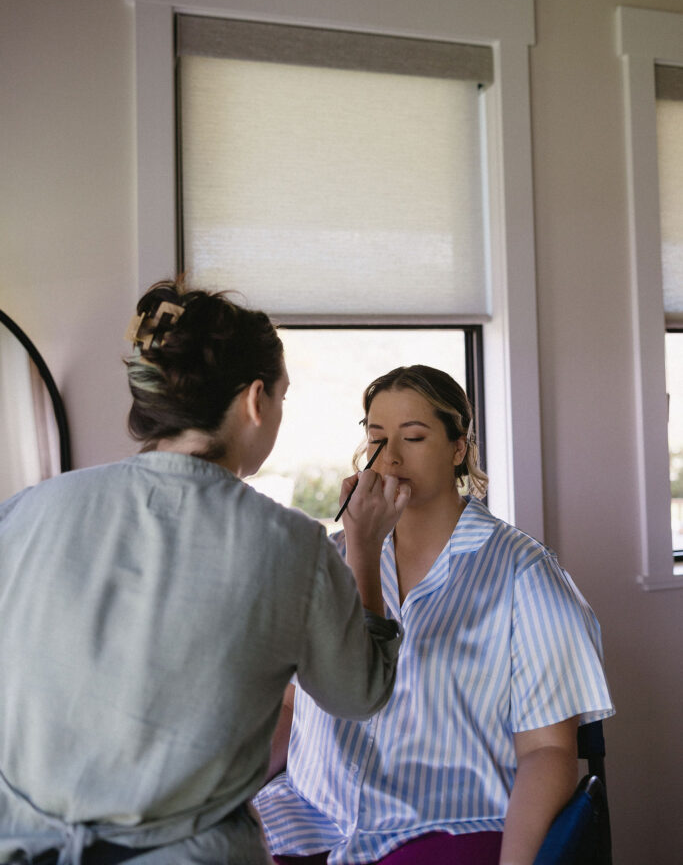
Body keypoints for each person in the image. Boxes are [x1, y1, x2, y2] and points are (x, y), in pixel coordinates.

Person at [0, 281, 410, 865]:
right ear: (254, 402)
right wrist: (366, 550)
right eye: (283, 399)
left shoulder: (22, 513)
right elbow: (358, 693)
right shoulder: (290, 543)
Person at [255, 365, 615, 865]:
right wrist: (220, 796)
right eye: (377, 437)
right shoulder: (327, 561)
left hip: (443, 829)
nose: (392, 456)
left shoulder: (523, 574)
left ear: (458, 448)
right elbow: (291, 709)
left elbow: (547, 753)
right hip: (306, 819)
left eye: (415, 437)